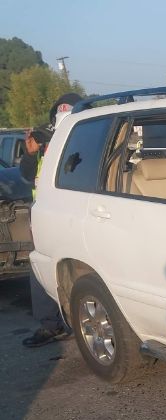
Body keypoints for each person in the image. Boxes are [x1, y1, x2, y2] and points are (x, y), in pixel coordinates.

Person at [20, 93, 82, 348]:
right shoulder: (45, 147)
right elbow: (26, 176)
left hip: (78, 214)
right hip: (47, 214)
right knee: (41, 267)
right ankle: (51, 325)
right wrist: (31, 153)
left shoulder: (82, 139)